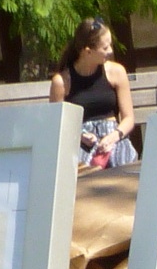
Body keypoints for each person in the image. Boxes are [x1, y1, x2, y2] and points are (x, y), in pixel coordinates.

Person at [51, 17, 138, 169]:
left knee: (123, 162)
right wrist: (79, 135)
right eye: (105, 48)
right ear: (88, 52)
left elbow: (129, 118)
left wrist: (113, 136)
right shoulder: (62, 81)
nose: (110, 51)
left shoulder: (116, 72)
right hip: (81, 139)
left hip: (113, 134)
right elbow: (58, 123)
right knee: (78, 166)